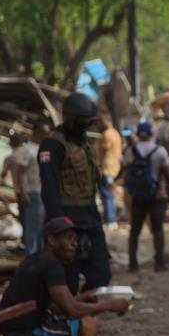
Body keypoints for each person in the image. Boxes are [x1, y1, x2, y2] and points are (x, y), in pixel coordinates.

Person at [0, 217, 130, 336]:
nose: (74, 244)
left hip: (12, 332)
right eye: (68, 238)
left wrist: (86, 296)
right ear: (52, 240)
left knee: (65, 324)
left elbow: (56, 306)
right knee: (88, 326)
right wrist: (110, 305)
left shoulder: (35, 260)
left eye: (75, 239)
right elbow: (71, 310)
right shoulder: (51, 266)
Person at [39, 93, 112, 292]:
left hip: (89, 215)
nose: (86, 126)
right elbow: (49, 187)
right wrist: (59, 227)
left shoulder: (83, 142)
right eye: (83, 122)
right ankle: (70, 317)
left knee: (101, 273)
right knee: (68, 277)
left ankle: (84, 312)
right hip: (66, 217)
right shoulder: (52, 145)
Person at [122, 122, 169, 272]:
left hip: (137, 197)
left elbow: (125, 170)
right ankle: (159, 263)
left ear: (137, 134)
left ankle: (133, 265)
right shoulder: (160, 151)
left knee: (134, 231)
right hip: (157, 197)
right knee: (158, 229)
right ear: (152, 134)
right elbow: (168, 174)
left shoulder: (130, 151)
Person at [14, 121, 51, 254]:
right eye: (44, 133)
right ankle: (31, 256)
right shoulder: (27, 150)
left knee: (42, 229)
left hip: (44, 192)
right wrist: (23, 194)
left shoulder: (45, 150)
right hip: (33, 193)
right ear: (37, 132)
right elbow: (20, 173)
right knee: (33, 229)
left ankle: (40, 257)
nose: (47, 135)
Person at [95, 115, 122, 229]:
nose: (99, 125)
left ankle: (110, 220)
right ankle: (111, 219)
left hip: (107, 168)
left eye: (101, 122)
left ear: (107, 121)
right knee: (109, 194)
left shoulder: (107, 134)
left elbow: (105, 151)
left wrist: (100, 167)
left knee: (107, 194)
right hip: (114, 168)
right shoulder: (115, 133)